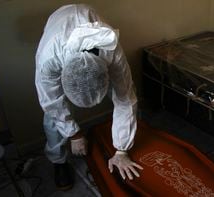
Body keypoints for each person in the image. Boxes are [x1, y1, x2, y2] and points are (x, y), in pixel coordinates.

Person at [35, 4, 143, 190]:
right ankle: (58, 161)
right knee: (52, 113)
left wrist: (121, 150)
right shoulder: (48, 59)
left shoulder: (113, 53)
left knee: (124, 94)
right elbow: (52, 103)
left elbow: (126, 100)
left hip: (89, 21)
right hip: (58, 24)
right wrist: (74, 134)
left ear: (106, 74)